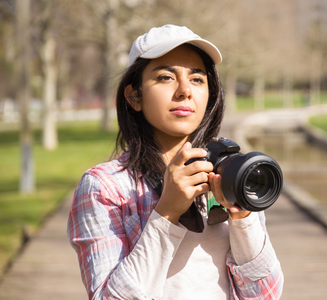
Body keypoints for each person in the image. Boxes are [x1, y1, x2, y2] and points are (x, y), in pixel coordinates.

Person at [67, 24, 283, 300]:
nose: (184, 91)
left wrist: (242, 217)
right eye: (166, 77)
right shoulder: (104, 188)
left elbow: (266, 295)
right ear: (134, 96)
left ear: (210, 93)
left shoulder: (232, 172)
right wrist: (167, 212)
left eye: (197, 79)